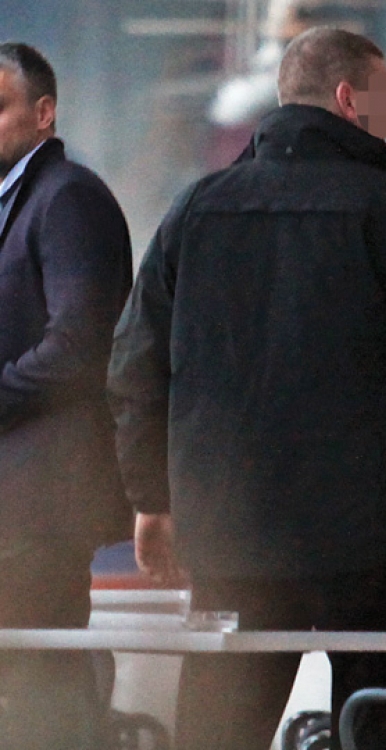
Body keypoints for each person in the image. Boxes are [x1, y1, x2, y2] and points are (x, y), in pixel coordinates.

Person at [108, 27, 386, 750]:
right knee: (383, 727)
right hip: (371, 540)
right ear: (349, 100)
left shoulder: (196, 210)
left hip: (234, 535)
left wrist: (150, 499)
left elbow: (135, 364)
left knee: (220, 734)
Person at [0, 42, 133, 749]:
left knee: (40, 697)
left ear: (44, 112)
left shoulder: (69, 197)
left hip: (41, 510)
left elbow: (80, 348)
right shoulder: (19, 202)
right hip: (17, 510)